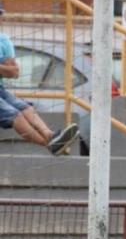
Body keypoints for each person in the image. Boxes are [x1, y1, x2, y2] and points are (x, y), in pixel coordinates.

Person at [0, 9, 78, 155]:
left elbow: (14, 72)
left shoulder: (3, 41)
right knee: (14, 115)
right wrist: (4, 68)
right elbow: (9, 70)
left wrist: (5, 69)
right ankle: (50, 145)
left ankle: (51, 136)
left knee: (25, 108)